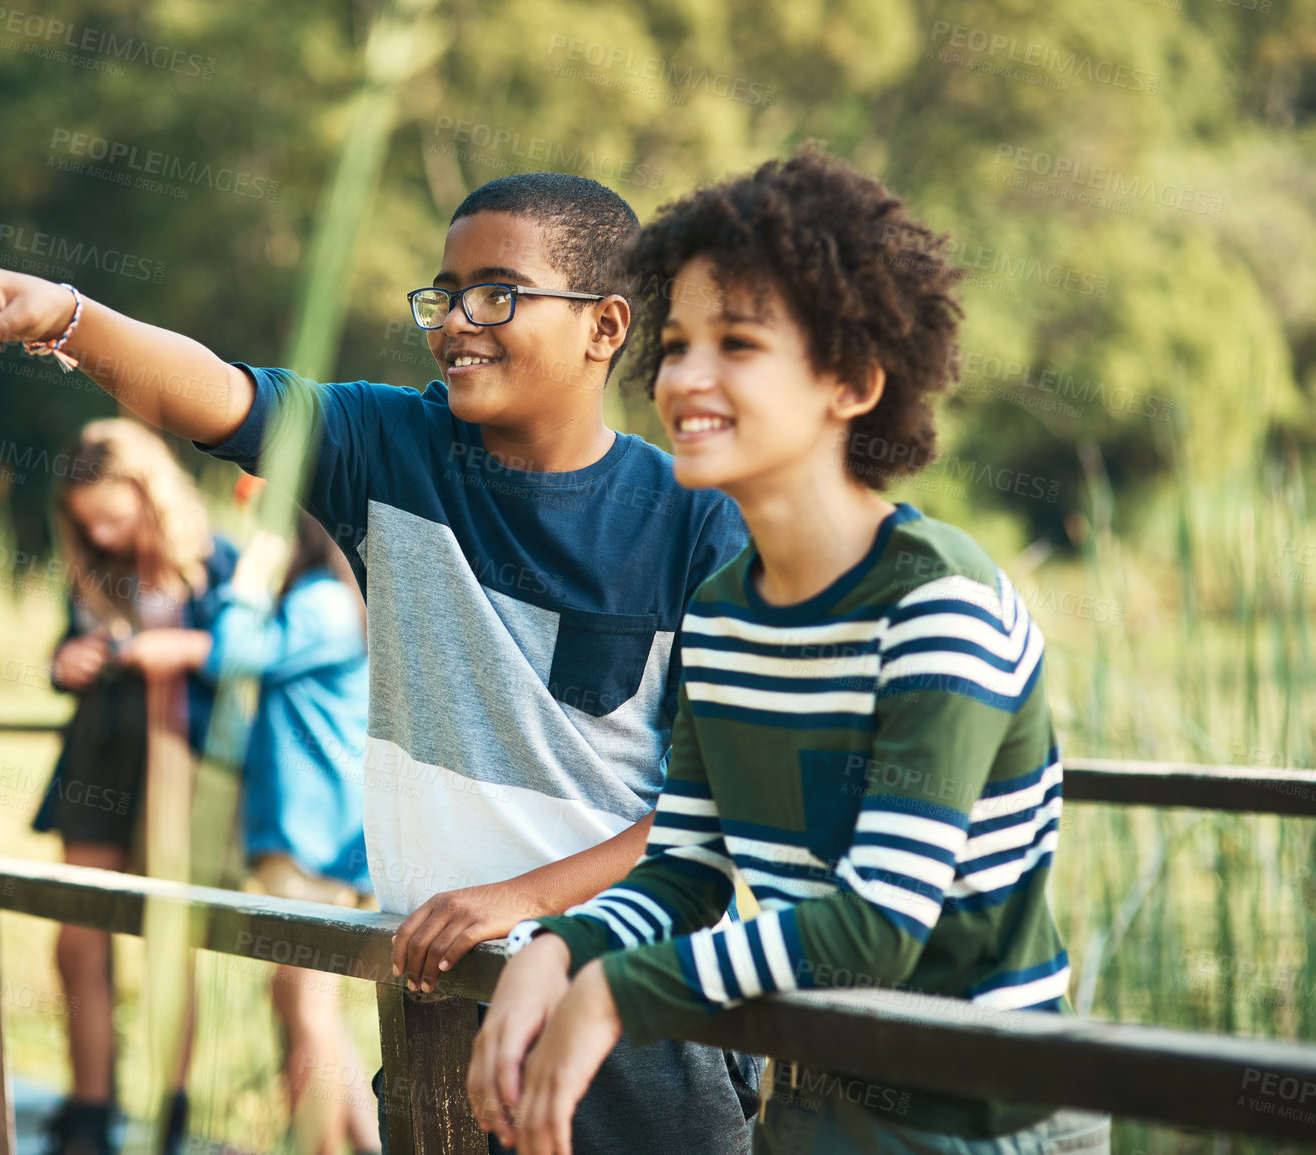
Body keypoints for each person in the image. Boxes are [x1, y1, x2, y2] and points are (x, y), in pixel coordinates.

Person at [0, 169, 760, 1155]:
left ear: (605, 327)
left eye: (496, 293)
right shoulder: (393, 450)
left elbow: (724, 810)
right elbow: (220, 395)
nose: (455, 323)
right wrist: (64, 315)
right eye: (441, 296)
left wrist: (515, 904)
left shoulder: (700, 523)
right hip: (439, 1003)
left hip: (627, 1014)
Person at [473, 146, 1111, 1155]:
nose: (685, 377)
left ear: (852, 381)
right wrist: (556, 951)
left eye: (738, 344)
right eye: (676, 343)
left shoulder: (937, 604)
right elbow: (684, 871)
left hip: (980, 1118)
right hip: (811, 1101)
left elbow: (875, 926)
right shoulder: (725, 613)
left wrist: (610, 996)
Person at [32, 418, 236, 1155]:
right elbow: (63, 651)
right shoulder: (92, 570)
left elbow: (255, 651)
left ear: (153, 496)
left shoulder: (217, 563)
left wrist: (181, 648)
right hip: (96, 757)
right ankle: (90, 1107)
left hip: (179, 763)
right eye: (90, 524)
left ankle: (167, 1110)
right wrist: (68, 661)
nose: (107, 535)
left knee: (166, 943)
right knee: (77, 937)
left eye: (116, 517)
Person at [207, 494, 380, 1155]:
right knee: (310, 1006)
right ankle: (366, 1145)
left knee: (303, 1003)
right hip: (317, 833)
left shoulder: (320, 601)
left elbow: (229, 655)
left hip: (309, 837)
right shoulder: (336, 598)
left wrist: (247, 582)